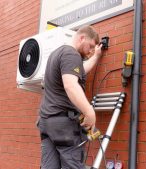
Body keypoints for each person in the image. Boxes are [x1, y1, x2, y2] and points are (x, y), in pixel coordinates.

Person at [38, 25, 103, 169]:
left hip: (47, 123)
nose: (91, 51)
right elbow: (70, 85)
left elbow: (81, 71)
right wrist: (89, 112)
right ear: (82, 38)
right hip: (63, 126)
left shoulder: (57, 54)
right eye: (91, 46)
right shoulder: (71, 54)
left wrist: (97, 56)